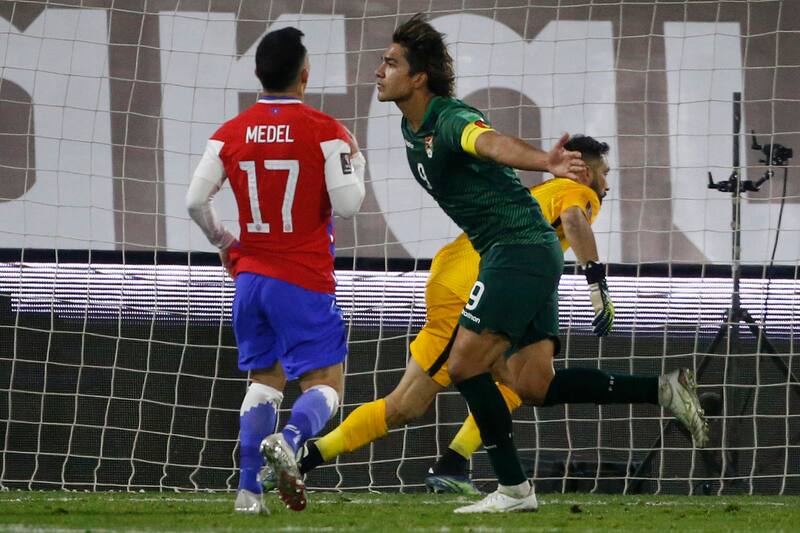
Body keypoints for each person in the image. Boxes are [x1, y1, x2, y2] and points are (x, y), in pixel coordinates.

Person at [290, 135, 709, 498]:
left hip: (509, 282)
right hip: (467, 286)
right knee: (405, 405)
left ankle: (661, 389)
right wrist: (597, 282)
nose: (607, 183)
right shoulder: (574, 190)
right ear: (583, 171)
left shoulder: (541, 195)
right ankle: (306, 458)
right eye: (604, 173)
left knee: (530, 382)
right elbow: (574, 218)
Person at [186, 26, 366, 514]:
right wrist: (355, 159)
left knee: (264, 382)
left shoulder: (229, 133)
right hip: (303, 280)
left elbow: (194, 201)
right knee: (326, 384)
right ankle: (289, 439)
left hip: (250, 281)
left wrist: (225, 244)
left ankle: (248, 494)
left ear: (258, 75)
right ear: (304, 76)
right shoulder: (326, 131)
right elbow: (349, 205)